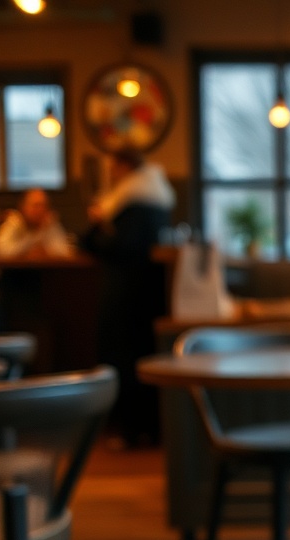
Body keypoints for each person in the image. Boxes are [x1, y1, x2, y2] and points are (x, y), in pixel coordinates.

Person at [80, 148, 176, 448]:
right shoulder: (155, 197)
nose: (112, 173)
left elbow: (117, 247)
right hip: (149, 295)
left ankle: (132, 432)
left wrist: (96, 225)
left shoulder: (133, 201)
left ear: (124, 167)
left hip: (126, 296)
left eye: (115, 167)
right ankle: (146, 429)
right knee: (142, 359)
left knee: (125, 361)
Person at [0, 188, 70, 259]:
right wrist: (29, 248)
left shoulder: (50, 223)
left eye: (43, 205)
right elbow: (1, 252)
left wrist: (47, 252)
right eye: (36, 205)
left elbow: (66, 251)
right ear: (23, 207)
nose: (40, 210)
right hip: (14, 272)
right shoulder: (14, 222)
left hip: (48, 272)